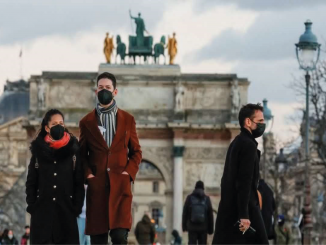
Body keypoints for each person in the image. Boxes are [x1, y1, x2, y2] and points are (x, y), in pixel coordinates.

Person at [79, 72, 142, 245]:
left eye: (107, 87)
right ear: (95, 91)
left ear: (115, 91)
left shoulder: (128, 120)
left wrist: (128, 174)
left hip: (120, 189)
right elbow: (81, 155)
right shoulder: (86, 122)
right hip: (97, 189)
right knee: (98, 240)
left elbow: (136, 151)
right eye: (101, 88)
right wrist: (88, 176)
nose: (104, 91)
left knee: (119, 238)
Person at [25, 109, 85, 245]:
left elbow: (78, 182)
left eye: (61, 123)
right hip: (42, 216)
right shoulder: (38, 152)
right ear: (47, 128)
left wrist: (76, 208)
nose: (59, 126)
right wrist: (33, 206)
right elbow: (31, 182)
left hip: (66, 216)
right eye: (55, 123)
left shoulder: (74, 151)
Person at [212, 103, 269, 245]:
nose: (263, 124)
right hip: (247, 207)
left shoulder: (236, 142)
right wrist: (244, 215)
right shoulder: (248, 145)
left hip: (231, 208)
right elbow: (245, 181)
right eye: (260, 121)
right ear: (248, 122)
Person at [182, 181, 214, 245]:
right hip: (203, 227)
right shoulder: (206, 199)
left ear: (195, 187)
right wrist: (211, 229)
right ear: (203, 188)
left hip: (191, 227)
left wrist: (184, 226)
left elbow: (185, 213)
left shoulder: (189, 198)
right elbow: (210, 215)